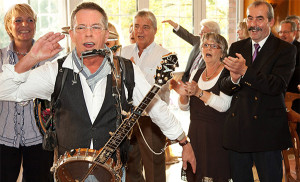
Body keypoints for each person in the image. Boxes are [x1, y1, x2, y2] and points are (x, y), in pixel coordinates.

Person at [0, 2, 196, 181]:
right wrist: (32, 57)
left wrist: (184, 143)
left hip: (112, 173)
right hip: (68, 174)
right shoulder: (56, 71)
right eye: (81, 28)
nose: (88, 34)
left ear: (105, 34)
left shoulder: (127, 71)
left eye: (95, 27)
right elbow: (5, 90)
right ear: (72, 33)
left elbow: (157, 109)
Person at [220, 1, 296, 181]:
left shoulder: (285, 49)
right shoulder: (237, 47)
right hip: (238, 129)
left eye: (259, 19)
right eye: (250, 18)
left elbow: (277, 85)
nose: (253, 24)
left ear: (271, 21)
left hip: (267, 133)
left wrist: (245, 71)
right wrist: (234, 78)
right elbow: (223, 86)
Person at [0, 4, 54, 182]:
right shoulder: (0, 57)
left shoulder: (50, 58)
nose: (25, 24)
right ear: (8, 26)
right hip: (4, 138)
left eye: (30, 20)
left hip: (39, 138)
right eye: (18, 20)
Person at [170, 32, 231, 182]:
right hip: (196, 136)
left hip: (217, 139)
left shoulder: (227, 73)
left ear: (222, 52)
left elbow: (224, 105)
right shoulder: (196, 73)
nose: (208, 49)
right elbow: (185, 108)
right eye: (205, 45)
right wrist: (183, 95)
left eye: (213, 46)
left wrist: (198, 92)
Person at [121, 10, 171, 182]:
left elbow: (156, 88)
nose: (139, 31)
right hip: (126, 118)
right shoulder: (124, 52)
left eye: (145, 27)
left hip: (151, 119)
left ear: (155, 30)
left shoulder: (166, 55)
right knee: (130, 165)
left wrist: (133, 73)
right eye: (136, 26)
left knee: (154, 168)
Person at [278, 20, 300, 93]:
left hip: (292, 92)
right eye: (280, 32)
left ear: (294, 33)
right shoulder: (275, 49)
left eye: (285, 32)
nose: (282, 35)